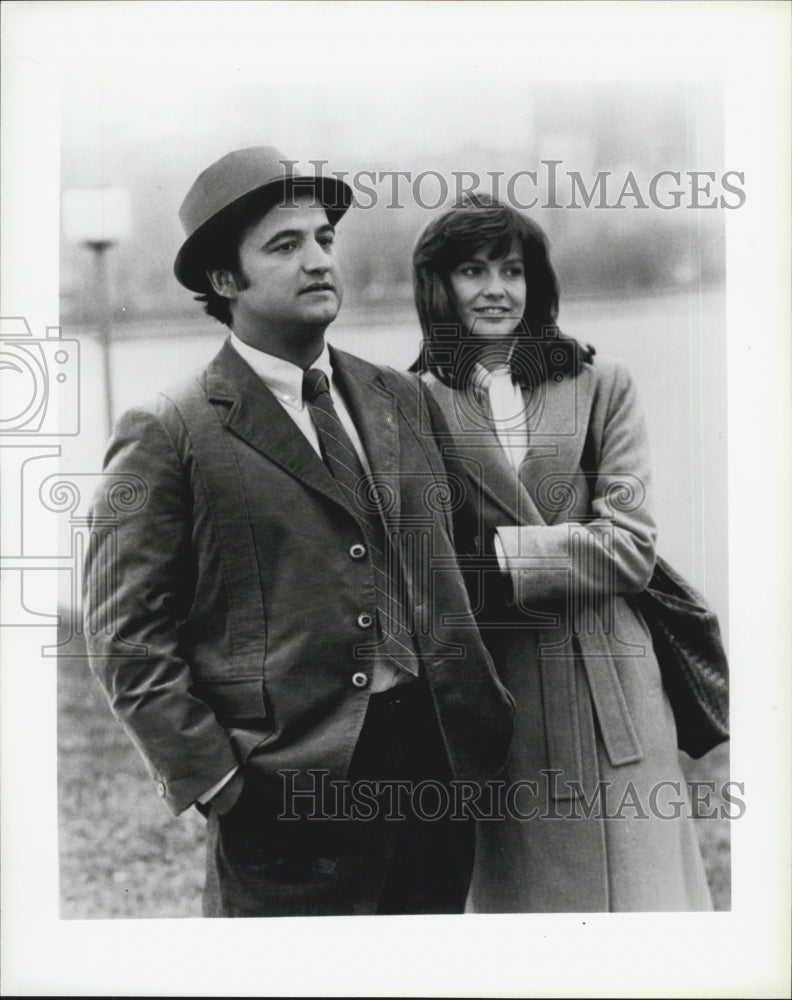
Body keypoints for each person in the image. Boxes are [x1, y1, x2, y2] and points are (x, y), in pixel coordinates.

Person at [83, 148, 514, 918]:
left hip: (435, 772)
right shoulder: (169, 429)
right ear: (224, 281)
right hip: (285, 791)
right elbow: (126, 635)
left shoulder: (399, 398)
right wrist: (222, 783)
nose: (318, 261)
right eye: (285, 246)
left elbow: (469, 557)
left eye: (323, 239)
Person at [410, 194, 713, 912]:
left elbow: (631, 548)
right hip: (501, 699)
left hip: (615, 693)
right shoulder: (412, 402)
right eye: (472, 270)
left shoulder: (604, 385)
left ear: (535, 282)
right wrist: (549, 555)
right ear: (439, 285)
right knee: (527, 925)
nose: (495, 289)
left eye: (512, 270)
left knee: (643, 914)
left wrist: (498, 558)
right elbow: (423, 562)